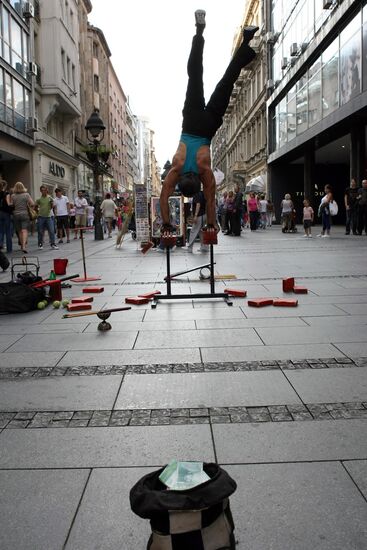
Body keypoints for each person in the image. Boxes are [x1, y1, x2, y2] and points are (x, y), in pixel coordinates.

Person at [159, 10, 257, 238]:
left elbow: (210, 201)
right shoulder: (177, 167)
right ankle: (199, 32)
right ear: (182, 180)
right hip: (191, 122)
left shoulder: (204, 172)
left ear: (198, 183)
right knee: (194, 75)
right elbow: (165, 196)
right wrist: (166, 223)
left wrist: (210, 224)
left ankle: (246, 41)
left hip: (208, 127)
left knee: (227, 81)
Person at [11, 182, 35, 253]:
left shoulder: (13, 196)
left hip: (16, 215)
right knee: (24, 230)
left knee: (19, 231)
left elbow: (12, 205)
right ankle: (24, 246)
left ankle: (22, 246)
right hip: (25, 214)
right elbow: (32, 204)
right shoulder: (26, 195)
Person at [36, 185, 58, 250]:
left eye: (45, 190)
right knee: (40, 231)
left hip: (49, 217)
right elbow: (35, 206)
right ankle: (40, 244)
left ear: (47, 190)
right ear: (40, 191)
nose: (44, 192)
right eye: (42, 190)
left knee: (51, 231)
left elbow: (53, 206)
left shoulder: (50, 198)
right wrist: (37, 211)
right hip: (41, 217)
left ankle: (53, 244)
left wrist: (52, 205)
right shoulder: (39, 199)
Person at [0, 180, 13, 253]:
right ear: (5, 186)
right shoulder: (6, 193)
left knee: (0, 231)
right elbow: (8, 204)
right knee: (8, 231)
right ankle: (9, 248)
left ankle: (0, 245)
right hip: (6, 213)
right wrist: (12, 204)